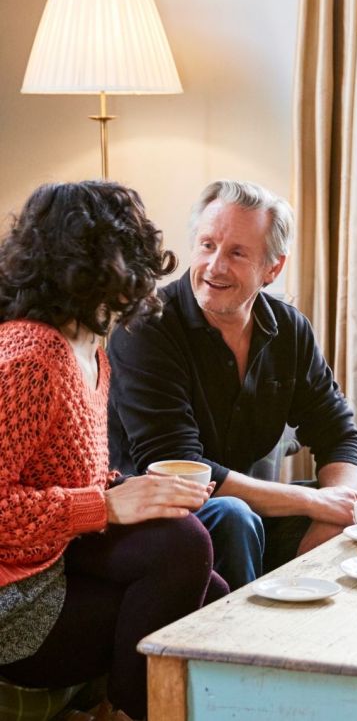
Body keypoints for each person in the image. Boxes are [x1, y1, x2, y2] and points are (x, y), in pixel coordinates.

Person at [107, 180, 357, 590]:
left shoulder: (289, 328)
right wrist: (314, 502)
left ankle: (328, 631)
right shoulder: (146, 326)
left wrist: (335, 508)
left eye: (237, 252)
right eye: (207, 245)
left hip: (250, 514)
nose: (215, 265)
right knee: (233, 515)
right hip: (169, 520)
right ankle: (245, 648)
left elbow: (339, 433)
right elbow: (182, 468)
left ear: (272, 268)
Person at [0, 182, 228, 721]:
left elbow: (57, 474)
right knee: (182, 546)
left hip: (55, 563)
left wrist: (129, 491)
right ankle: (131, 711)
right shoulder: (30, 360)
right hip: (16, 605)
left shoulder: (90, 353)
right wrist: (103, 507)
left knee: (211, 590)